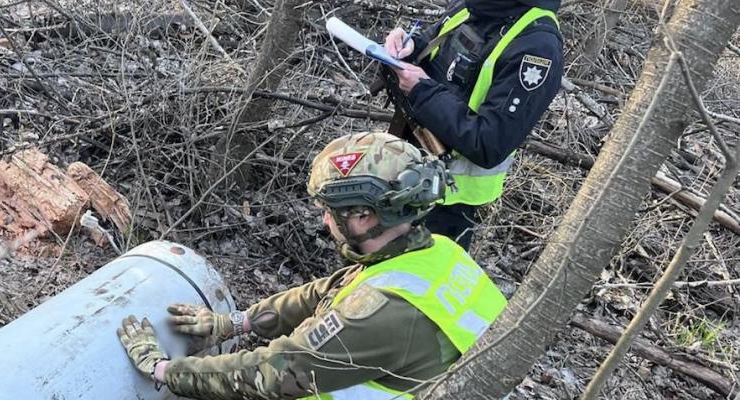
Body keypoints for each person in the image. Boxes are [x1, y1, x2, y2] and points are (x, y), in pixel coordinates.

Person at [117, 131, 507, 399]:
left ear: (366, 217)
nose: (323, 220)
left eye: (330, 211)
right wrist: (237, 323)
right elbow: (329, 290)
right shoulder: (434, 251)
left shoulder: (383, 316)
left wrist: (163, 370)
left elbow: (276, 371)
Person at [381, 0, 564, 249]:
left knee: (416, 284)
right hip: (402, 168)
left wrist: (423, 92)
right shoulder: (474, 7)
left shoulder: (537, 46)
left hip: (446, 201)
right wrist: (410, 46)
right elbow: (436, 50)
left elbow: (489, 142)